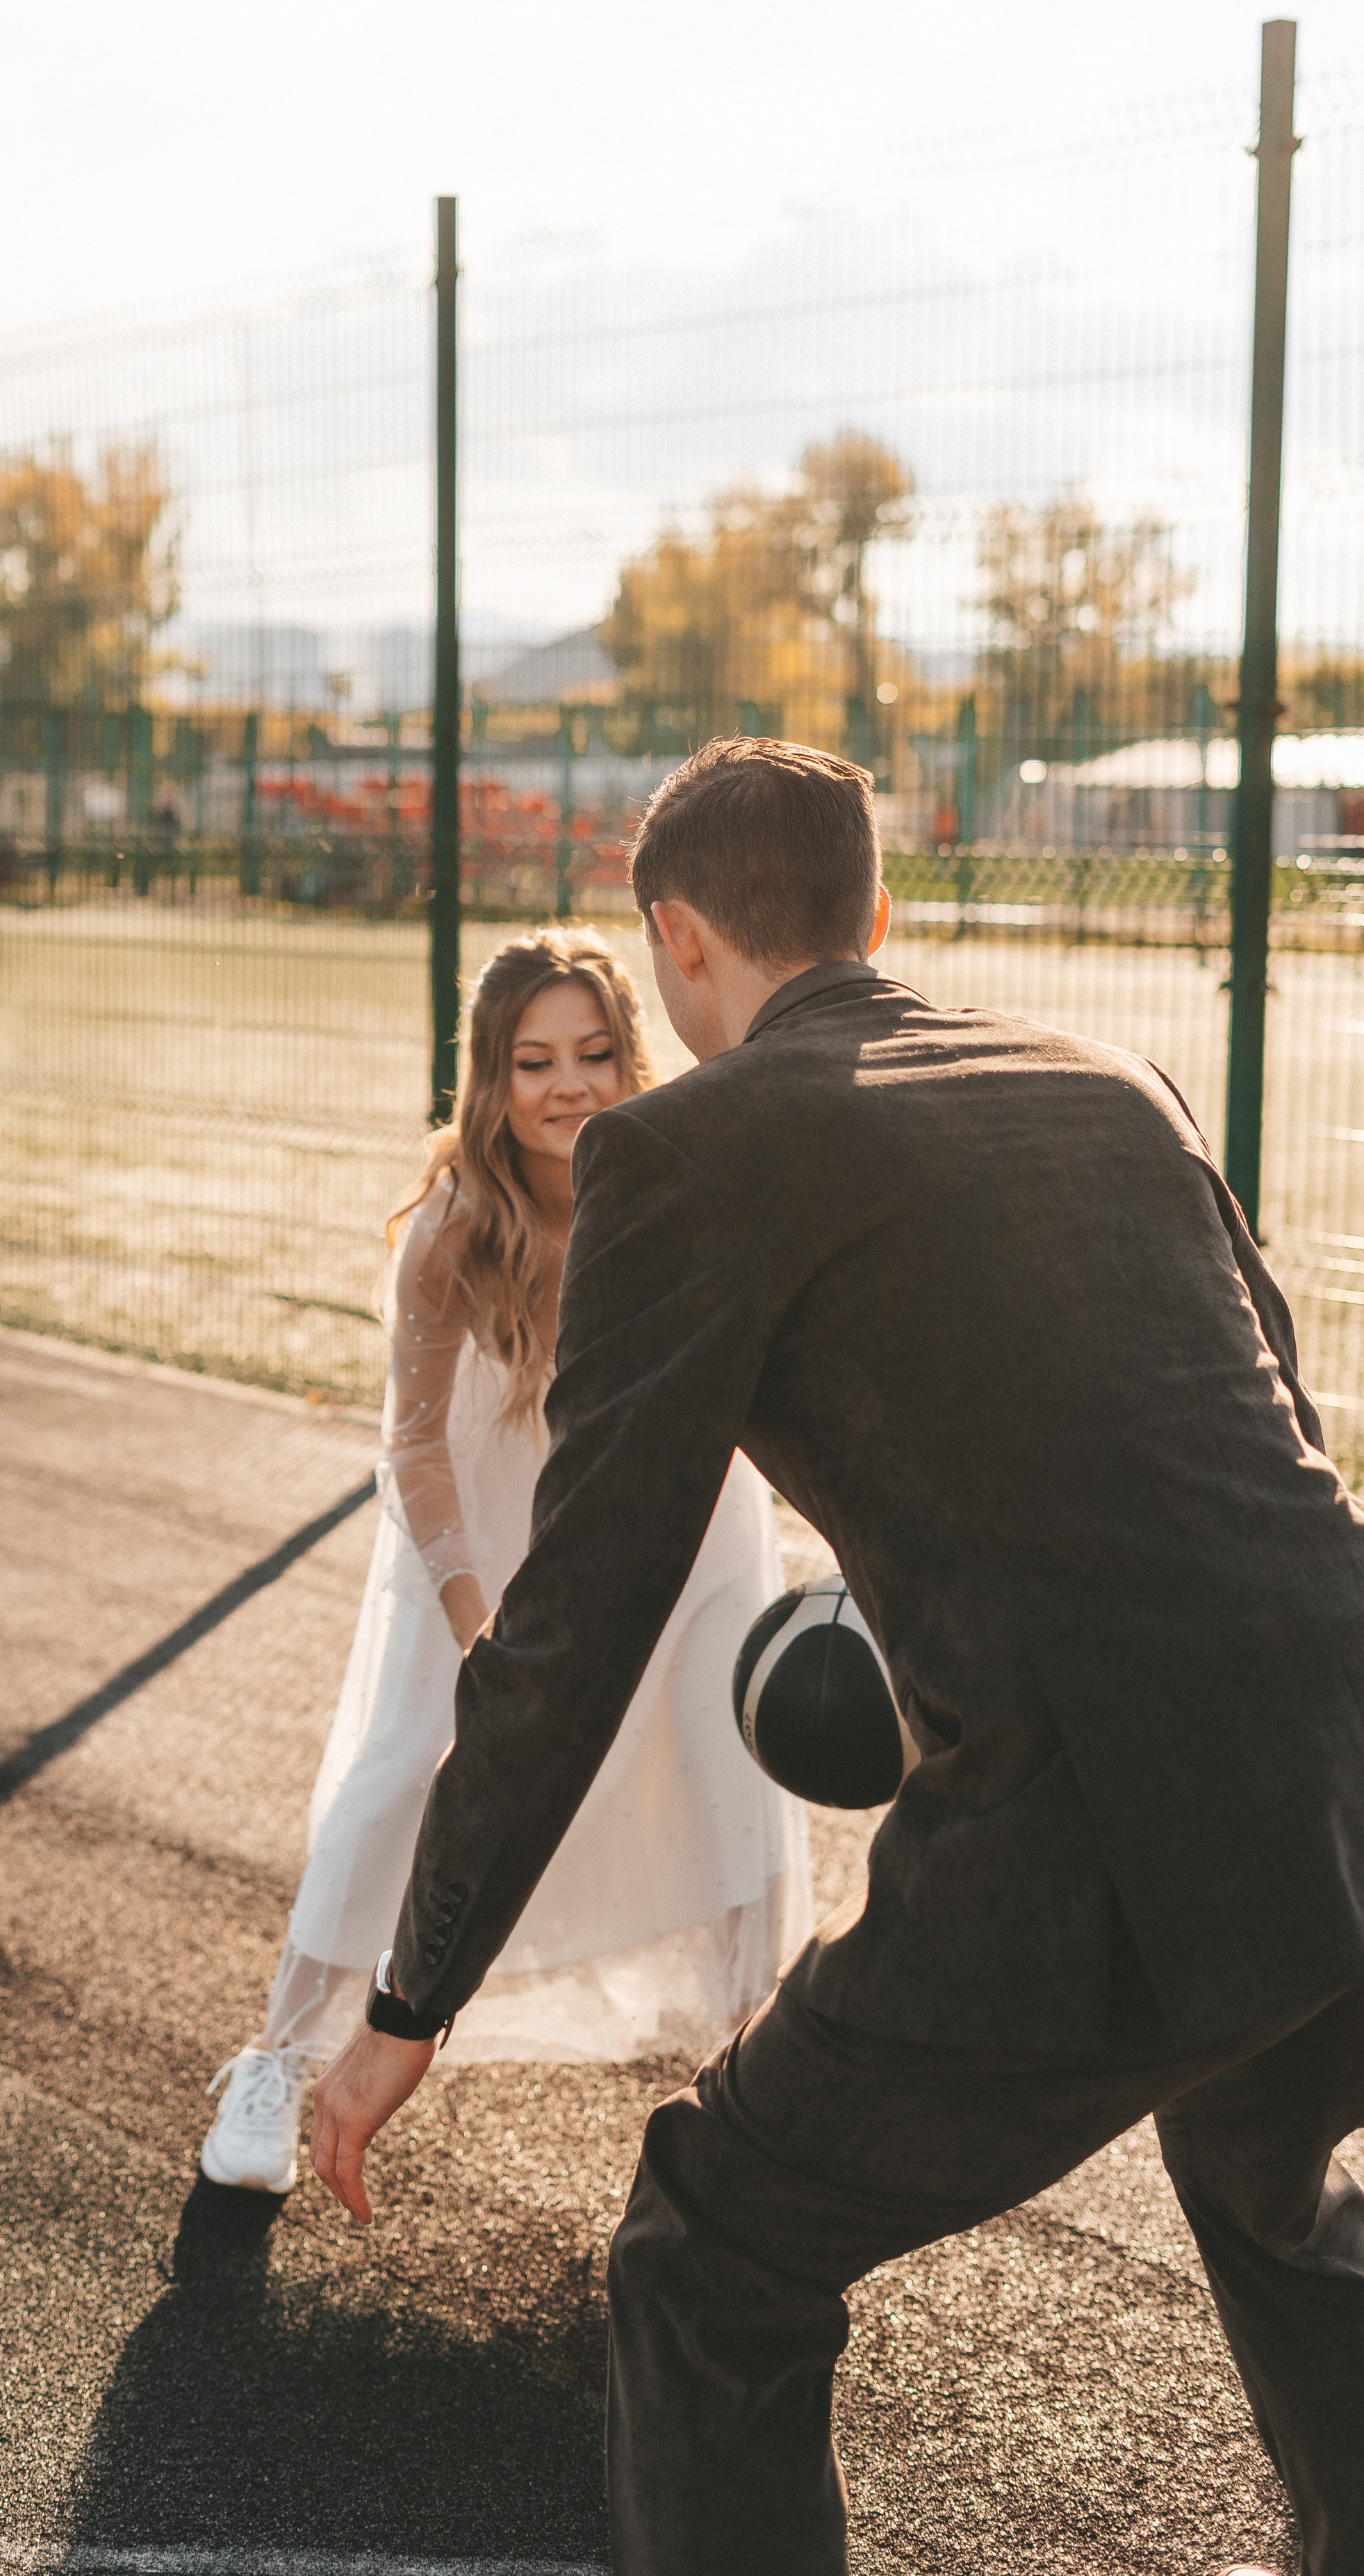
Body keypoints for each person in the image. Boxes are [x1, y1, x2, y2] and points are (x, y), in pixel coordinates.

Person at [310, 740, 1364, 2576]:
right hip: (1348, 1757)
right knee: (1264, 2185)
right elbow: (1263, 1437)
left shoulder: (686, 1147)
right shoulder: (1117, 1081)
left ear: (674, 941)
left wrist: (414, 1999)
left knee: (715, 2244)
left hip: (1104, 1830)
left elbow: (576, 1621)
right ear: (878, 914)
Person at [202, 924, 811, 2194]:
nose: (570, 1085)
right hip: (485, 1556)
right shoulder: (454, 1226)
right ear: (492, 1079)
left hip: (671, 1529)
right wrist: (481, 1622)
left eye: (594, 1052)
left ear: (631, 1056)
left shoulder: (677, 1186)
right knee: (402, 1786)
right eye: (534, 1062)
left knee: (719, 1761)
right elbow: (413, 1446)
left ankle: (771, 2085)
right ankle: (275, 2059)